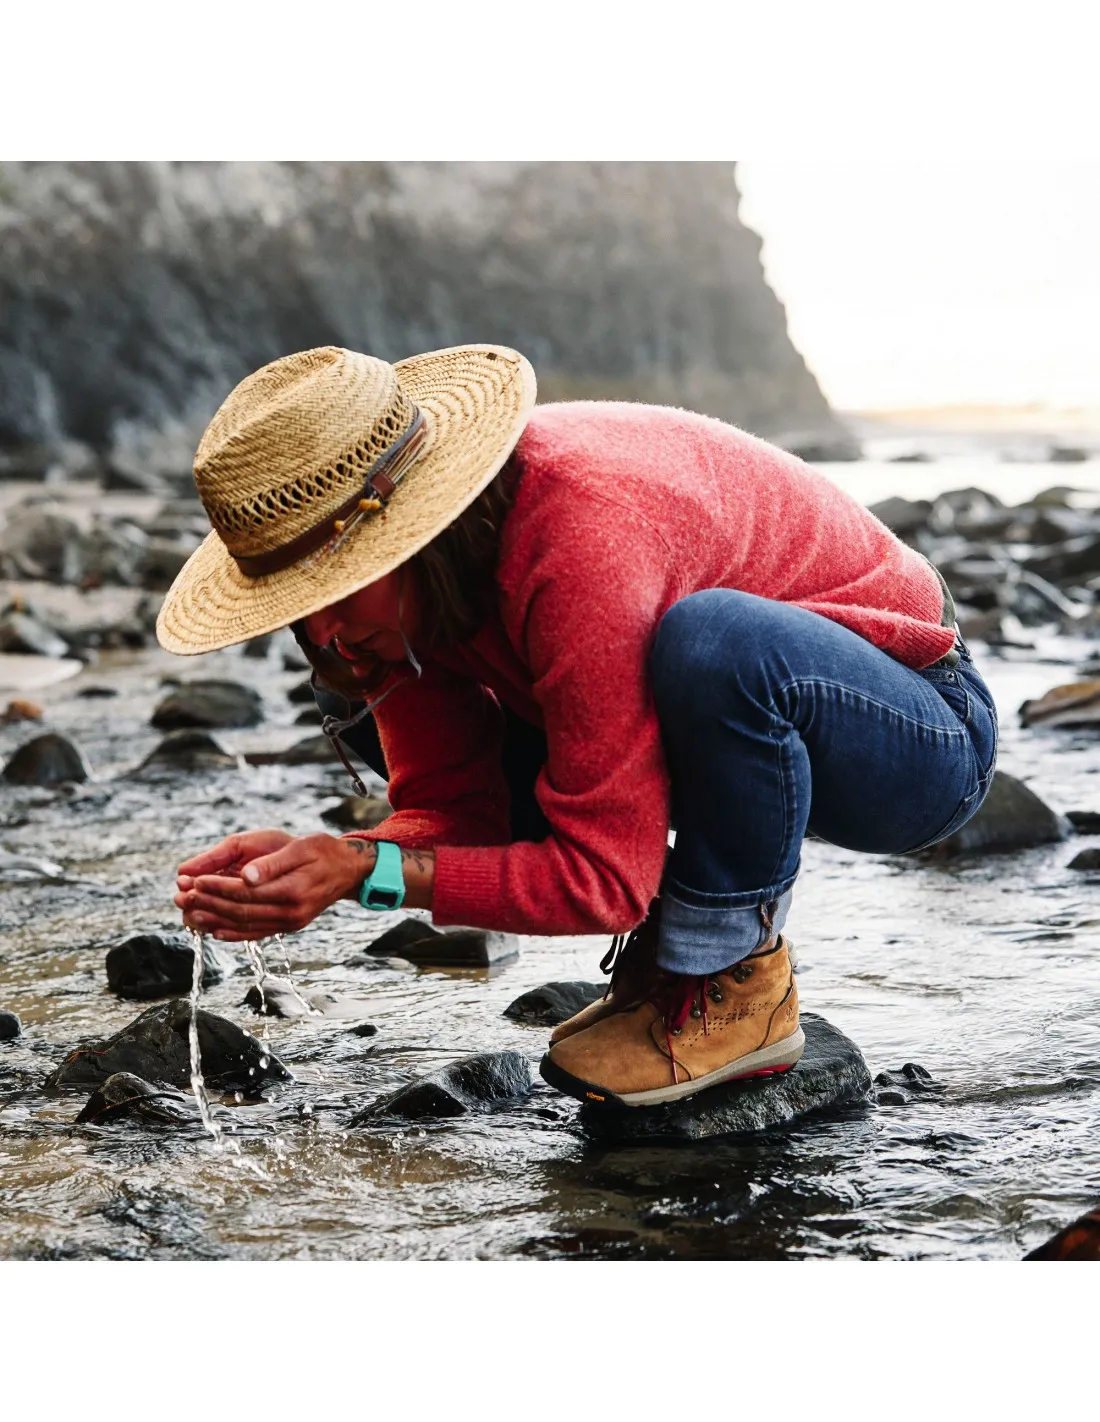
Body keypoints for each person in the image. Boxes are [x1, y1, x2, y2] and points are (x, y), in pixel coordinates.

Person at [164, 343, 998, 1110]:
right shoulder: (398, 601)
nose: (328, 633)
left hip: (917, 731)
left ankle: (737, 982)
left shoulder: (578, 540)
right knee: (537, 698)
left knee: (713, 645)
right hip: (743, 736)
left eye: (341, 587)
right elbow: (459, 821)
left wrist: (357, 870)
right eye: (302, 606)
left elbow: (604, 883)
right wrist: (330, 865)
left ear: (410, 531)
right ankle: (677, 963)